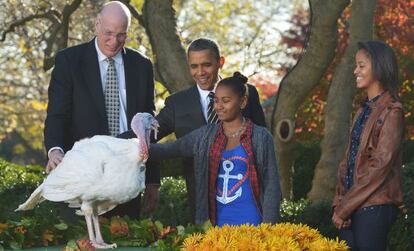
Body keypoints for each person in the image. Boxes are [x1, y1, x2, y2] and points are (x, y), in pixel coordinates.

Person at [43, 1, 158, 219]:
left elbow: (149, 126)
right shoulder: (69, 61)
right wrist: (55, 149)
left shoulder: (142, 65)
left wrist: (152, 179)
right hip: (83, 181)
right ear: (97, 25)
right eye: (108, 33)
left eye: (121, 35)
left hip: (126, 179)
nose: (114, 42)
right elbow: (57, 115)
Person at [155, 38, 266, 221]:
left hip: (245, 194)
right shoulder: (177, 104)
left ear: (220, 62)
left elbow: (263, 143)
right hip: (201, 201)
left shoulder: (246, 93)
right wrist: (107, 143)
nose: (200, 72)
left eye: (206, 65)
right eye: (194, 66)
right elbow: (148, 135)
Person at [150, 72, 280, 226]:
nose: (218, 106)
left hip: (253, 227)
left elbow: (272, 185)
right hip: (214, 228)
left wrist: (269, 228)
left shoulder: (261, 137)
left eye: (225, 101)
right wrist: (129, 148)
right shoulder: (205, 136)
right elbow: (168, 149)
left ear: (243, 101)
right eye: (216, 101)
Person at [332, 40, 404, 250]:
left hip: (374, 206)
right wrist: (339, 204)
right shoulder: (363, 111)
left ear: (380, 67)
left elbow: (380, 166)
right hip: (351, 206)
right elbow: (348, 162)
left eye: (361, 66)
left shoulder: (392, 112)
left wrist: (344, 207)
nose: (356, 71)